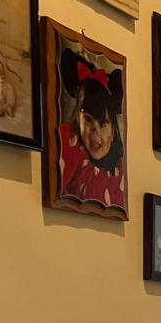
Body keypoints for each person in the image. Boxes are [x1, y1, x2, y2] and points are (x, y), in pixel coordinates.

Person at [57, 46, 126, 209]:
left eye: (102, 124)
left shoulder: (119, 171)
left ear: (113, 131)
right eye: (88, 119)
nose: (94, 131)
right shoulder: (69, 142)